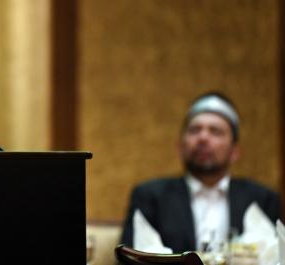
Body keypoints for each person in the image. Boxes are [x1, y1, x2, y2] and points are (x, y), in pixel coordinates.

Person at [120, 91, 281, 253]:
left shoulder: (262, 199)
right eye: (194, 130)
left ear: (234, 152)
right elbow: (128, 257)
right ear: (180, 147)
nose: (203, 138)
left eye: (215, 131)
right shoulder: (150, 196)